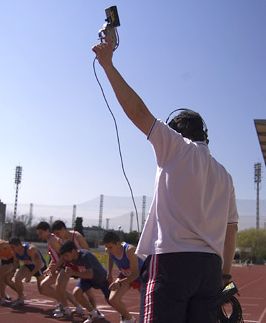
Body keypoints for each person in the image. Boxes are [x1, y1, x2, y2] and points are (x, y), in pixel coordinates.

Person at [92, 40, 239, 323]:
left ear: (178, 131)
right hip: (210, 268)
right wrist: (224, 274)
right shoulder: (225, 174)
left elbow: (139, 113)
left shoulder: (176, 146)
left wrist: (108, 66)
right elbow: (231, 230)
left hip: (172, 262)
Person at [36, 221, 84, 317]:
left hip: (63, 266)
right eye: (38, 234)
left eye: (41, 233)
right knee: (59, 288)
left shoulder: (52, 240)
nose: (39, 236)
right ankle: (77, 307)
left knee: (45, 286)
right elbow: (55, 256)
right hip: (60, 266)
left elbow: (62, 255)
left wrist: (56, 268)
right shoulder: (50, 239)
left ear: (47, 231)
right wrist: (50, 268)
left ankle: (63, 306)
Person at [51, 220, 95, 318]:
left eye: (57, 233)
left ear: (63, 229)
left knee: (88, 291)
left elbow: (87, 250)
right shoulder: (60, 240)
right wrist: (56, 267)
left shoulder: (77, 236)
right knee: (58, 284)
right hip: (70, 265)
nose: (57, 236)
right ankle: (66, 309)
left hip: (82, 265)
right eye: (55, 234)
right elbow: (62, 256)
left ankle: (94, 311)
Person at [59, 240, 109, 323]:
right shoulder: (71, 259)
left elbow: (90, 274)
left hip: (100, 278)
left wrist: (73, 273)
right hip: (87, 279)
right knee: (77, 292)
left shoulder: (85, 256)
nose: (65, 258)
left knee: (112, 300)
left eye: (66, 255)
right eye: (64, 256)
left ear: (73, 251)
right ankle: (93, 313)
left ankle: (127, 317)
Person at [103, 231, 143, 323]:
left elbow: (135, 273)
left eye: (110, 247)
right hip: (125, 275)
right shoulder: (109, 250)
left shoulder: (129, 250)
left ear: (117, 243)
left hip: (141, 276)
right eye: (106, 247)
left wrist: (119, 282)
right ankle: (129, 319)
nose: (108, 250)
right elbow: (110, 258)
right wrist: (109, 273)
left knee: (147, 303)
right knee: (113, 300)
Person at [9, 237, 47, 306]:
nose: (11, 249)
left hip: (39, 267)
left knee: (43, 290)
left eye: (13, 247)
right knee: (17, 278)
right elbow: (16, 262)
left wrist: (30, 275)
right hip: (28, 266)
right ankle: (21, 298)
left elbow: (39, 264)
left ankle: (61, 300)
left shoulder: (30, 249)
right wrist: (13, 271)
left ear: (19, 245)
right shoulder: (14, 252)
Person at [0, 240, 18, 305]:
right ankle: (21, 294)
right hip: (5, 261)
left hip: (10, 261)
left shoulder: (3, 244)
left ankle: (3, 298)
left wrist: (14, 267)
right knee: (6, 280)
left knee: (2, 279)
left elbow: (10, 245)